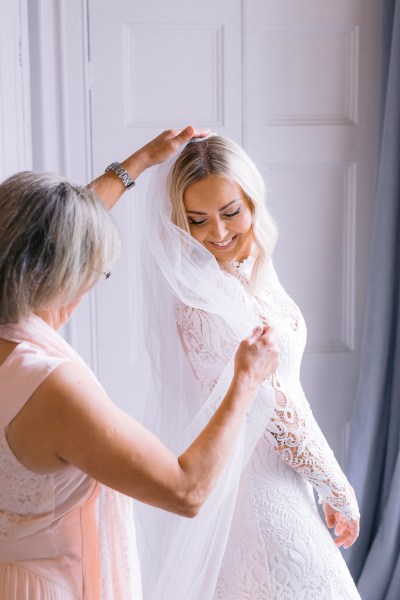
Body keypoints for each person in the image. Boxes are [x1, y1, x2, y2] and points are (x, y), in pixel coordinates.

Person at [0, 128, 280, 600]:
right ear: (59, 273)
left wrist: (142, 160)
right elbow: (185, 491)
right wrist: (245, 380)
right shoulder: (51, 387)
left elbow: (44, 233)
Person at [132, 134, 362, 599]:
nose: (217, 232)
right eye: (197, 220)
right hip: (259, 495)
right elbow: (274, 405)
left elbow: (290, 388)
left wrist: (320, 486)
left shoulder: (248, 264)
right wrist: (338, 488)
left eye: (230, 212)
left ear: (253, 200)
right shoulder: (204, 299)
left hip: (287, 483)